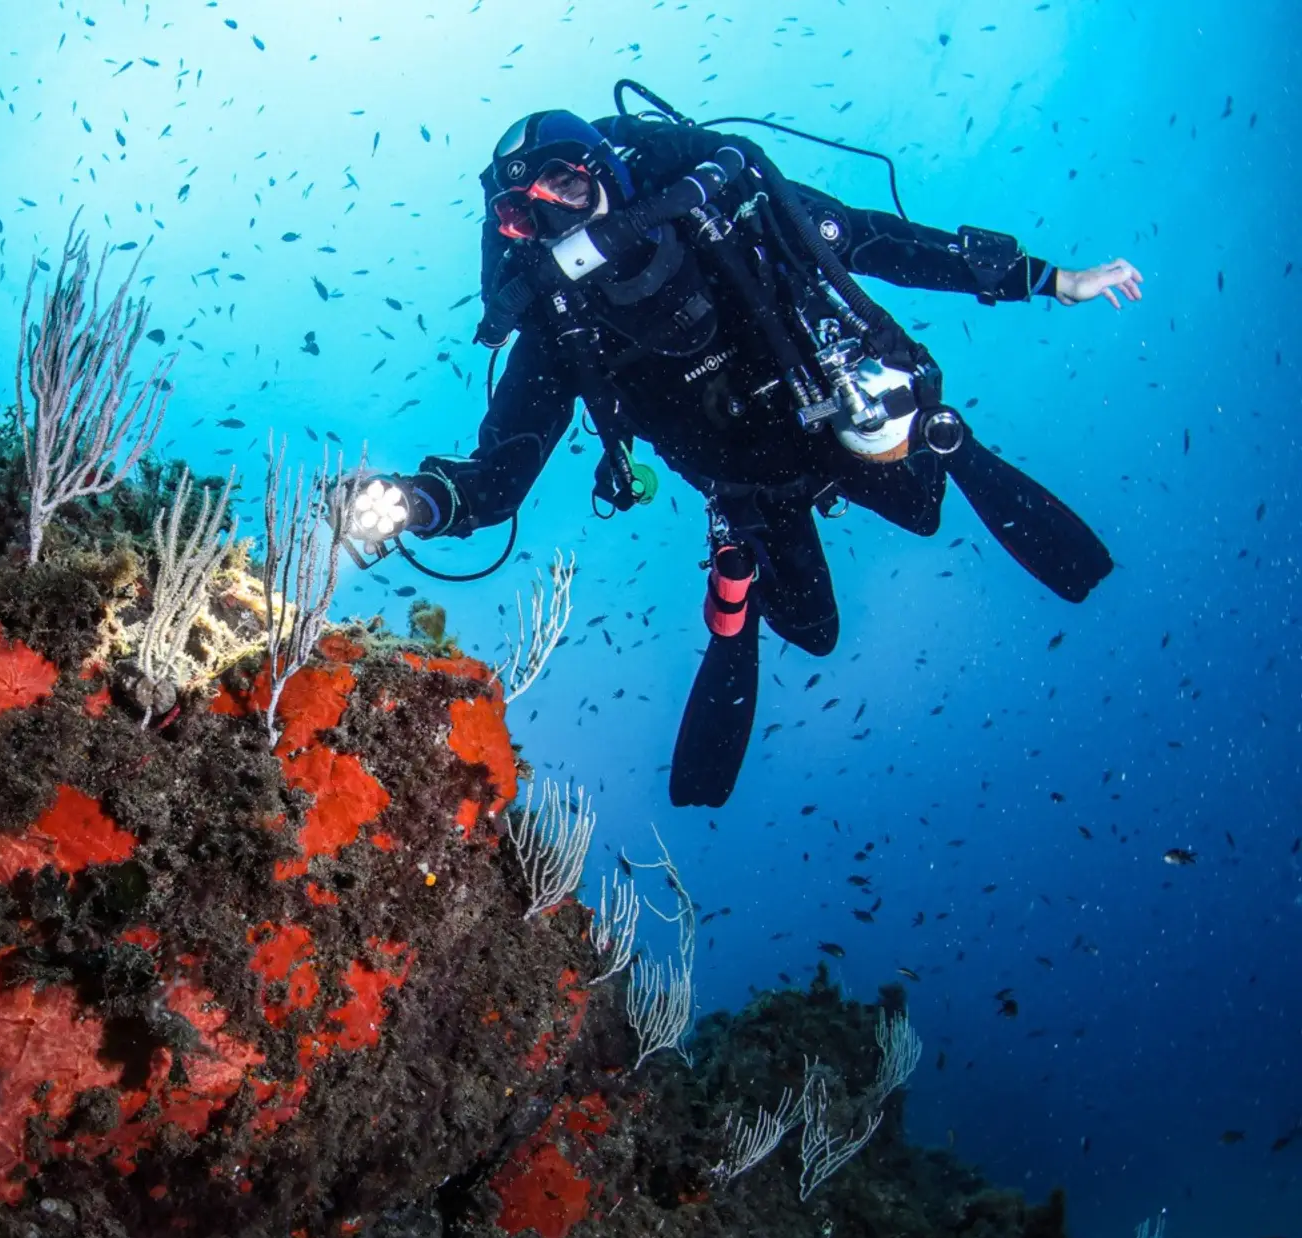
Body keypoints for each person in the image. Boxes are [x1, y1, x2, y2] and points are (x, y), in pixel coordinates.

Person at [346, 95, 1142, 808]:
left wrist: (1047, 279)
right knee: (817, 630)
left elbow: (869, 238)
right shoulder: (564, 328)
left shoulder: (730, 211)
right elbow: (497, 479)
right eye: (527, 217)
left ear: (613, 173)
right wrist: (412, 502)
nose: (562, 227)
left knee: (923, 508)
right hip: (750, 493)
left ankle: (941, 438)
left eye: (568, 190)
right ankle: (732, 605)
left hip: (836, 424)